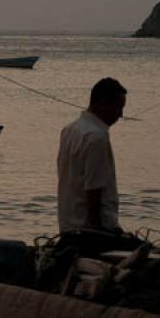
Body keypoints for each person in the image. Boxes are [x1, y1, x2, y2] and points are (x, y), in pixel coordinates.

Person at [57, 77, 127, 234]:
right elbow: (94, 188)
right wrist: (96, 228)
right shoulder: (96, 137)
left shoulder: (70, 130)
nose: (120, 114)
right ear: (102, 104)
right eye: (118, 107)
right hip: (91, 230)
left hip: (68, 225)